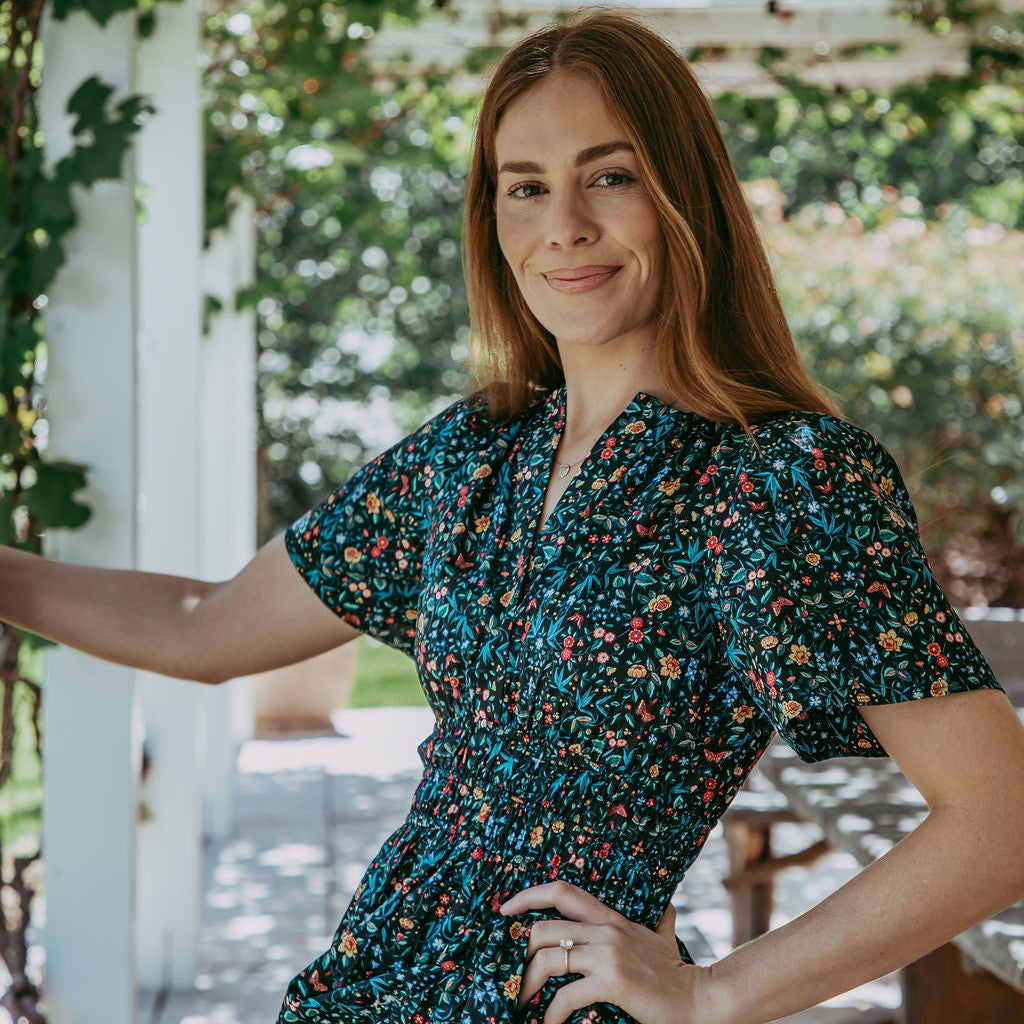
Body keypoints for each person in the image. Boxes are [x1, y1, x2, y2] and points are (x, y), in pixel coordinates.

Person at [3, 10, 1023, 1024]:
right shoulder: (469, 455)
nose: (564, 224)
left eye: (609, 175)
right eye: (524, 187)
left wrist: (718, 992)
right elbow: (204, 624)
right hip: (367, 987)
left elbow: (1001, 818)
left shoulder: (777, 479)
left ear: (685, 197)